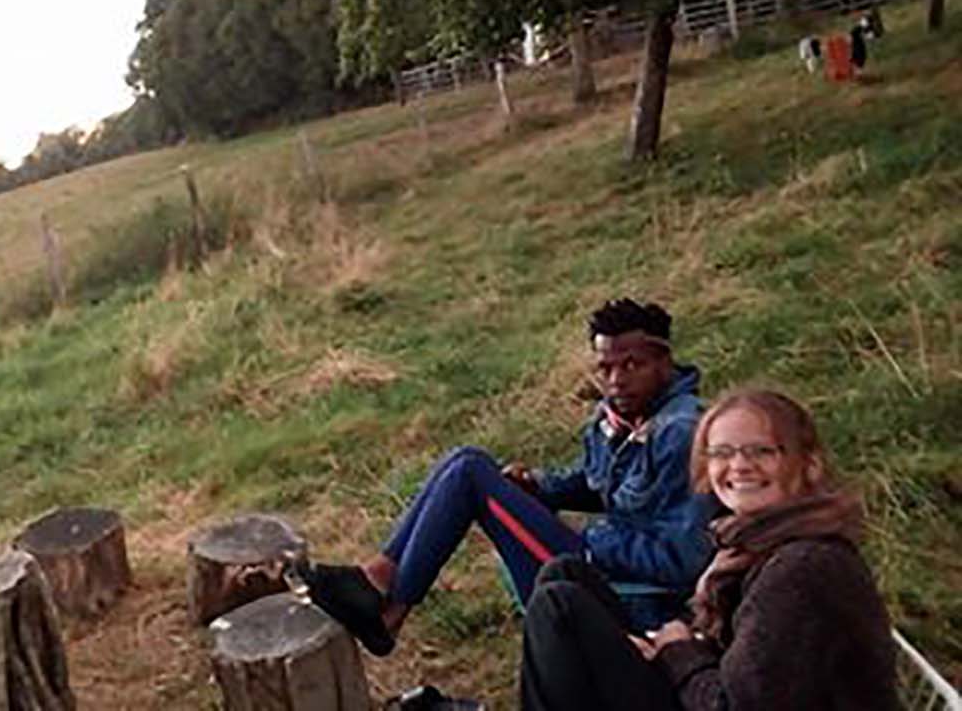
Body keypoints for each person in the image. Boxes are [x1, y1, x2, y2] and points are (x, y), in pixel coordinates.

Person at [297, 298, 714, 656]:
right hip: (598, 565)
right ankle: (381, 584)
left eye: (632, 365)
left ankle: (385, 604)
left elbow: (684, 561)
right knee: (465, 458)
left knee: (471, 474)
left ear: (665, 362)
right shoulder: (619, 416)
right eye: (605, 368)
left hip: (628, 600)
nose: (616, 381)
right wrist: (540, 486)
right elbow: (598, 483)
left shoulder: (681, 434)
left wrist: (592, 539)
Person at [519, 388, 899, 711]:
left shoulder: (802, 568)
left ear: (809, 464)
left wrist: (677, 652)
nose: (740, 466)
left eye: (762, 451)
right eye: (721, 453)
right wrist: (676, 645)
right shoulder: (753, 545)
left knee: (560, 607)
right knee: (565, 574)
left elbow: (729, 705)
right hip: (716, 681)